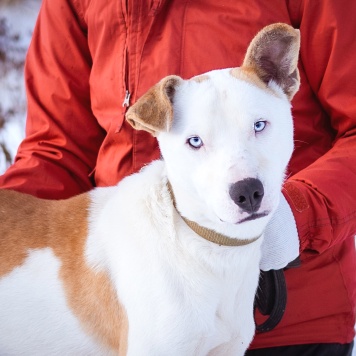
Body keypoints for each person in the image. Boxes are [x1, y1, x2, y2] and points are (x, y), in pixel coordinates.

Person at [0, 0, 355, 354]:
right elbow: (56, 148)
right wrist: (10, 234)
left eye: (259, 126)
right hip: (124, 304)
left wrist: (300, 214)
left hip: (298, 314)